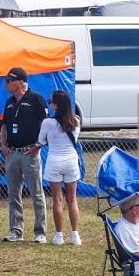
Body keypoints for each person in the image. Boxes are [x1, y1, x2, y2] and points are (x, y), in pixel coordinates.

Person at [0, 67, 48, 244]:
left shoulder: (36, 99)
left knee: (36, 193)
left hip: (30, 153)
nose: (6, 83)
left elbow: (46, 126)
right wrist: (3, 145)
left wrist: (38, 146)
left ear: (20, 82)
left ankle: (40, 232)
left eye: (9, 80)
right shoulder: (9, 102)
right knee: (13, 194)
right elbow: (4, 125)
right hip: (13, 153)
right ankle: (16, 230)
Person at [39, 89, 81, 245]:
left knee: (57, 199)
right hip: (71, 160)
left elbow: (41, 140)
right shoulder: (76, 120)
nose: (50, 104)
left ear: (55, 105)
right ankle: (75, 235)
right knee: (72, 199)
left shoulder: (48, 122)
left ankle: (59, 235)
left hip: (54, 161)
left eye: (51, 102)